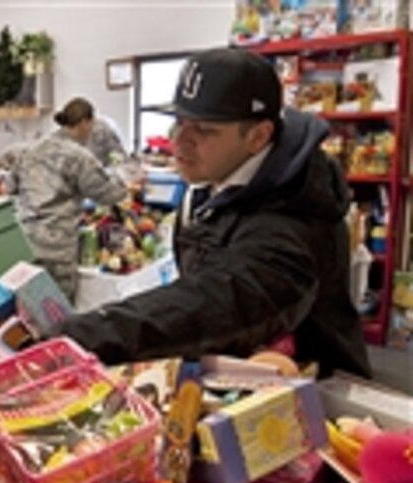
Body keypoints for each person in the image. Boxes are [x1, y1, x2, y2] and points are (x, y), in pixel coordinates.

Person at [56, 48, 370, 378]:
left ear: (258, 136)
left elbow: (213, 304)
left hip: (311, 402)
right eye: (179, 122)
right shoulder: (220, 177)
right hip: (234, 374)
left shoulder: (295, 218)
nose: (180, 141)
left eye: (204, 129)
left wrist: (79, 337)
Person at [8, 99, 127, 301]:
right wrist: (124, 179)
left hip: (25, 240)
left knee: (30, 309)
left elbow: (11, 187)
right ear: (84, 123)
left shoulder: (30, 150)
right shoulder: (78, 156)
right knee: (58, 309)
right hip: (58, 246)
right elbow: (108, 193)